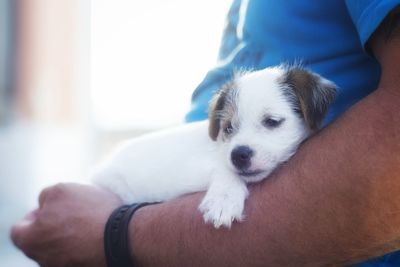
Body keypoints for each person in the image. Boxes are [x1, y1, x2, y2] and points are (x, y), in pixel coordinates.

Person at [11, 0, 400, 266]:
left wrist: (114, 234)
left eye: (272, 122)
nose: (239, 148)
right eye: (229, 130)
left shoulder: (302, 95)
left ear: (312, 108)